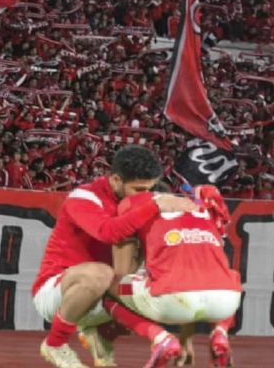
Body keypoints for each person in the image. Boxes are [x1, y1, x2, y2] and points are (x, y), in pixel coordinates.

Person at [33, 145, 200, 368]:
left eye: (149, 189)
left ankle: (99, 332)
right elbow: (108, 232)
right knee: (101, 273)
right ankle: (55, 344)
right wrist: (154, 205)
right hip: (57, 291)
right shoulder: (83, 197)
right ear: (115, 180)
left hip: (103, 293)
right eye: (138, 189)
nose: (145, 195)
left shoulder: (143, 199)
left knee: (156, 287)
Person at [112, 183, 240, 367]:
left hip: (171, 297)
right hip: (225, 302)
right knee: (229, 277)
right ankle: (220, 332)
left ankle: (160, 338)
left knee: (111, 288)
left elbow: (123, 270)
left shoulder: (138, 207)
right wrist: (186, 341)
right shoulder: (199, 209)